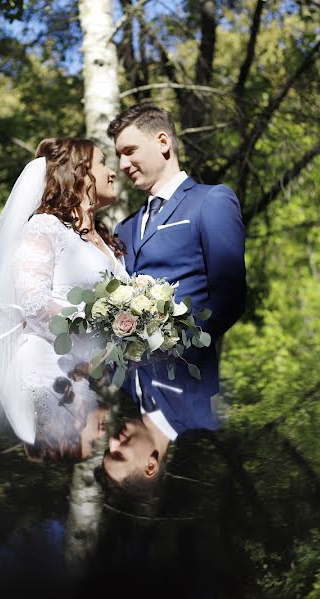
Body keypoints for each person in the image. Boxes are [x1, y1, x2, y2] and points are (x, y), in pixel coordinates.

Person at [0, 137, 127, 462]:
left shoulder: (109, 242)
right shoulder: (45, 228)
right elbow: (35, 303)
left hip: (85, 377)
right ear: (78, 173)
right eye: (102, 162)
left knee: (77, 451)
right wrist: (100, 318)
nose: (112, 172)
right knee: (70, 448)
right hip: (46, 369)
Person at [99, 103, 247, 488]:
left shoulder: (210, 201)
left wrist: (176, 339)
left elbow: (229, 295)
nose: (123, 163)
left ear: (163, 142)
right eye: (118, 155)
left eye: (129, 151)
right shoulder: (127, 229)